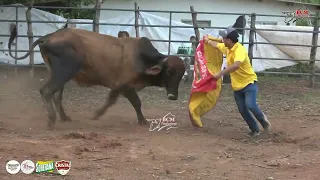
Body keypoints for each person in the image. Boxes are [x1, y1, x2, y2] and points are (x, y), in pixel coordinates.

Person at [203, 27, 271, 136]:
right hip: (237, 86)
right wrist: (208, 41)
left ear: (229, 40)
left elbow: (236, 65)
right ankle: (254, 129)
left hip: (249, 83)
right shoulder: (227, 48)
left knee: (251, 105)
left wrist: (220, 74)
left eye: (223, 38)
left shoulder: (240, 50)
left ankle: (263, 120)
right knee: (243, 110)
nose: (222, 40)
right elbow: (217, 45)